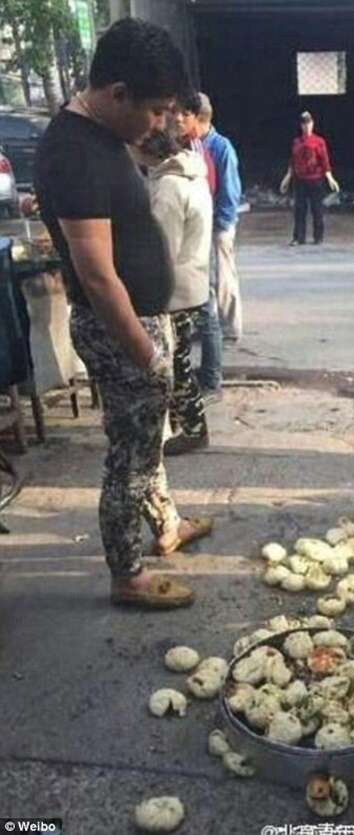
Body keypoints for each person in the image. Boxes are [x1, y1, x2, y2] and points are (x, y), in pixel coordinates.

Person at [34, 18, 213, 609]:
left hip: (140, 321)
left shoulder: (102, 135)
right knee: (128, 457)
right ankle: (126, 573)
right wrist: (146, 352)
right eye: (156, 110)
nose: (159, 122)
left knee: (146, 442)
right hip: (120, 331)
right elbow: (96, 274)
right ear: (117, 95)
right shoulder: (75, 153)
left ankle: (165, 526)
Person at [139, 119, 212, 456]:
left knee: (175, 365)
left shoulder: (168, 185)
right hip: (193, 281)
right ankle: (187, 424)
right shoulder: (193, 176)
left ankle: (194, 429)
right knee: (180, 360)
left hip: (175, 289)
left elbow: (162, 248)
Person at [198, 92, 244, 349]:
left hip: (219, 223)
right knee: (205, 276)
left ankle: (230, 328)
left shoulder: (220, 147)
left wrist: (223, 225)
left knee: (223, 276)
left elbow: (230, 190)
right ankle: (209, 324)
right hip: (203, 222)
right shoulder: (195, 145)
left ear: (200, 118)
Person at [280, 111, 339, 246]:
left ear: (312, 125)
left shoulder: (319, 142)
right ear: (301, 126)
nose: (307, 127)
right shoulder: (296, 142)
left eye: (309, 124)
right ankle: (298, 237)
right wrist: (287, 178)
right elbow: (293, 161)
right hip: (300, 180)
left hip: (315, 179)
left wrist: (330, 177)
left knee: (317, 209)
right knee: (299, 210)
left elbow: (324, 161)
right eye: (304, 124)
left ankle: (318, 237)